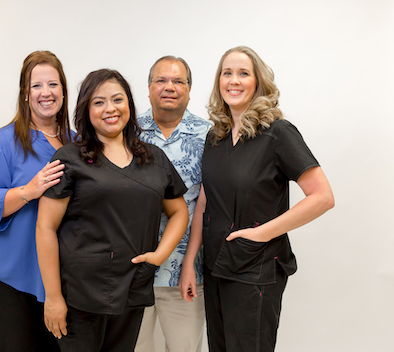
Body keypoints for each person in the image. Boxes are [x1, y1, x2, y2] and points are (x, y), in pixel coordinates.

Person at [179, 46, 335, 352]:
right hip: (215, 266)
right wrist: (189, 263)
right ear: (218, 82)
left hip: (256, 267)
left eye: (243, 73)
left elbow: (322, 197)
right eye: (227, 73)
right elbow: (205, 203)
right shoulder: (216, 137)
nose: (233, 81)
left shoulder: (278, 133)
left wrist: (260, 234)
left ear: (258, 82)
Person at [36, 69, 190, 352]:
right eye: (99, 102)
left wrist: (159, 256)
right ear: (86, 109)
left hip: (132, 287)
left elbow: (179, 211)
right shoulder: (70, 158)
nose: (110, 109)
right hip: (79, 294)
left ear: (129, 105)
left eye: (117, 100)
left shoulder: (153, 158)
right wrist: (53, 296)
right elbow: (45, 227)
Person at [0, 50, 72, 352]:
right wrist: (28, 190)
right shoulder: (3, 142)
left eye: (53, 84)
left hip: (62, 279)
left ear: (63, 91)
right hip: (13, 277)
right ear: (25, 94)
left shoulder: (76, 142)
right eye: (36, 86)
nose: (45, 93)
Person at [135, 56, 211, 352]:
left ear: (190, 90)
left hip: (187, 273)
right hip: (133, 272)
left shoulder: (210, 136)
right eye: (161, 80)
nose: (170, 87)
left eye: (178, 81)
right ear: (149, 87)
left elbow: (210, 202)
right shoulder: (127, 132)